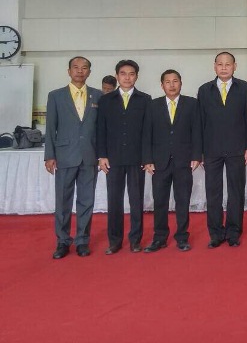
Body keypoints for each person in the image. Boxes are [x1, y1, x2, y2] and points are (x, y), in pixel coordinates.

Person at [45, 56, 102, 259]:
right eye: (76, 68)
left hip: (89, 155)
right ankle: (62, 241)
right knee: (63, 201)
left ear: (89, 72)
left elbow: (101, 129)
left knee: (86, 201)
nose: (80, 71)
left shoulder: (98, 96)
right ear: (68, 71)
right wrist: (49, 155)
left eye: (84, 68)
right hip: (65, 155)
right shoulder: (56, 96)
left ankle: (82, 241)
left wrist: (102, 155)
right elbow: (51, 127)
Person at [197, 51, 247, 248]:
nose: (224, 67)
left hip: (237, 148)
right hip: (211, 149)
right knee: (213, 192)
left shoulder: (245, 88)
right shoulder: (205, 90)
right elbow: (200, 123)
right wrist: (200, 152)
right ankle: (215, 233)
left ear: (235, 66)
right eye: (220, 64)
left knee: (235, 192)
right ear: (214, 67)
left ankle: (233, 232)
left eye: (228, 64)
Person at [142, 69, 202, 253]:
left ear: (181, 83)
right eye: (167, 82)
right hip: (159, 162)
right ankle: (159, 238)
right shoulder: (152, 105)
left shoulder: (192, 104)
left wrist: (196, 156)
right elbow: (146, 134)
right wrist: (147, 159)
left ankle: (182, 237)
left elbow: (197, 132)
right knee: (160, 201)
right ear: (162, 85)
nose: (172, 85)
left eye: (175, 81)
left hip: (184, 161)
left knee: (182, 201)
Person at [97, 59, 151, 254]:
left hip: (137, 159)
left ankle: (135, 240)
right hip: (113, 158)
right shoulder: (106, 100)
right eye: (123, 74)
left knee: (136, 200)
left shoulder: (145, 99)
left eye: (131, 74)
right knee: (114, 200)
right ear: (117, 75)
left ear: (136, 76)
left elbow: (147, 132)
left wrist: (147, 158)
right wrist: (102, 155)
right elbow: (100, 130)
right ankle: (115, 241)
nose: (127, 77)